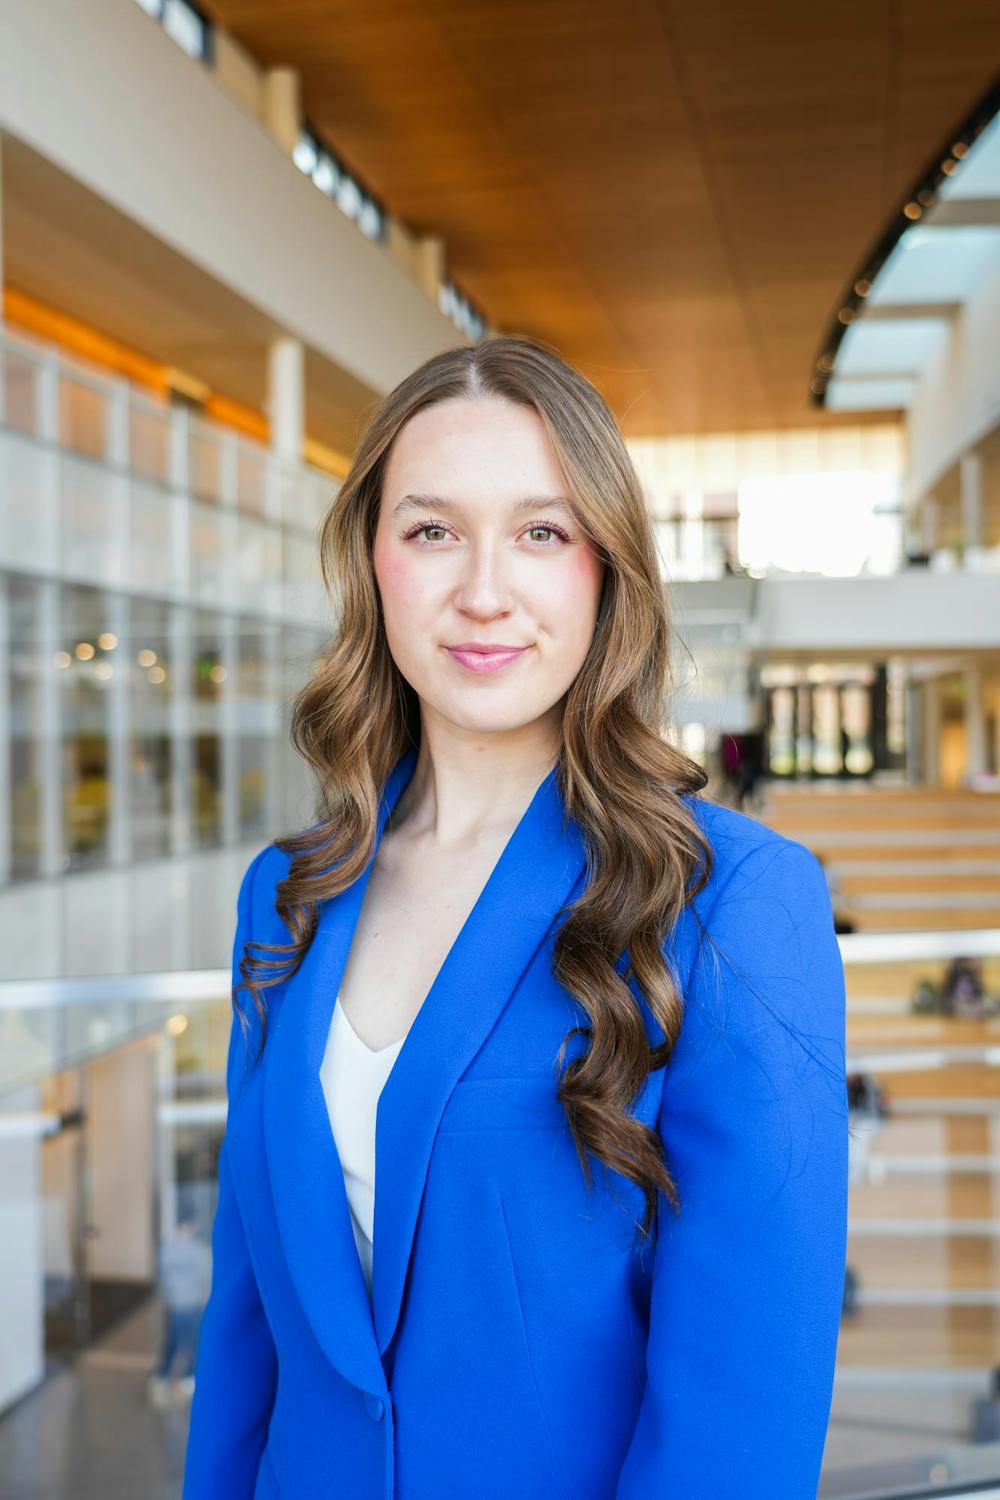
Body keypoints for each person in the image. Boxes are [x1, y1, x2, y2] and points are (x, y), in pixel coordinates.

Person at [183, 337, 848, 1499]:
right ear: (373, 561)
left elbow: (742, 1418)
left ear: (604, 569)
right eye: (432, 529)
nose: (482, 589)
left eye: (540, 532)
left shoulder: (733, 901)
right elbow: (247, 1337)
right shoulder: (284, 895)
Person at [148, 1214, 212, 1407]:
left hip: (174, 1303)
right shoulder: (198, 1250)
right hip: (191, 1303)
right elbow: (206, 1278)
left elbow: (163, 1277)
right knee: (192, 1342)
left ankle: (162, 1376)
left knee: (173, 1341)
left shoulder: (167, 1249)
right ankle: (187, 1379)